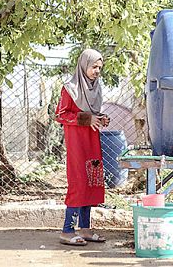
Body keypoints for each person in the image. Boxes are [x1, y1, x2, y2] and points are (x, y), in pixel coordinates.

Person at [55, 49, 110, 246]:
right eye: (94, 66)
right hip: (77, 142)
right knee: (78, 182)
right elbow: (60, 115)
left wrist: (100, 118)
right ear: (83, 65)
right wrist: (87, 119)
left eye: (100, 67)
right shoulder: (69, 88)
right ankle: (67, 230)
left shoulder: (95, 88)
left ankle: (85, 229)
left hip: (92, 141)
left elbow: (91, 112)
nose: (97, 71)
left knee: (91, 181)